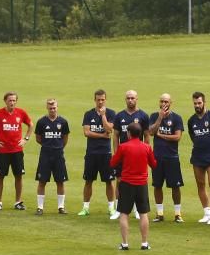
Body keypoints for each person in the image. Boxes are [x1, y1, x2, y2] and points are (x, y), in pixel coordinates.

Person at [110, 123, 157, 250]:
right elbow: (153, 164)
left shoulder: (123, 147)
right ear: (141, 134)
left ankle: (125, 243)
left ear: (129, 133)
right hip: (142, 184)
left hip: (126, 184)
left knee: (124, 213)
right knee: (143, 214)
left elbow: (113, 162)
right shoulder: (146, 147)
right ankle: (144, 243)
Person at [0, 91, 33, 211]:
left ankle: (18, 202)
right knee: (0, 176)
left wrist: (25, 139)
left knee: (18, 176)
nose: (12, 102)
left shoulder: (21, 113)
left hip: (17, 150)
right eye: (10, 100)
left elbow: (31, 125)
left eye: (14, 100)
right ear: (5, 101)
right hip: (3, 151)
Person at [187, 91, 210, 225]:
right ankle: (207, 213)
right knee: (200, 184)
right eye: (195, 103)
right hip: (197, 156)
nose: (197, 105)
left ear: (204, 102)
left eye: (199, 103)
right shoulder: (191, 120)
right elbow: (193, 137)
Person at [79, 89, 117, 218]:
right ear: (94, 100)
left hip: (105, 153)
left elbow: (109, 129)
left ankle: (111, 208)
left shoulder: (111, 113)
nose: (100, 102)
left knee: (109, 181)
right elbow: (87, 132)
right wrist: (102, 135)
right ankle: (85, 207)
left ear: (105, 100)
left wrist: (103, 116)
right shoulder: (88, 114)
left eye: (102, 100)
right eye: (98, 100)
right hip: (91, 153)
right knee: (88, 180)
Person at [112, 90, 149, 220]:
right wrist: (117, 153)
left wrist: (146, 152)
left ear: (137, 99)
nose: (130, 100)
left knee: (138, 183)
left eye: (132, 98)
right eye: (128, 98)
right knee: (120, 181)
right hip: (123, 155)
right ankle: (118, 208)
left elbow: (147, 136)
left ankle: (138, 210)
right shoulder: (119, 116)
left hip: (138, 155)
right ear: (125, 99)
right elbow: (115, 136)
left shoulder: (143, 116)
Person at [149, 93, 185, 223]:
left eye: (166, 102)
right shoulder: (154, 116)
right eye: (162, 101)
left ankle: (177, 214)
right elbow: (151, 132)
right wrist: (159, 118)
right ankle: (159, 214)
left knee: (175, 186)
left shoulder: (176, 118)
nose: (164, 104)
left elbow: (177, 137)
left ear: (171, 103)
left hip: (172, 157)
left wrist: (162, 135)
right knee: (157, 185)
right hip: (157, 157)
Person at [34, 98, 70, 214]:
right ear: (47, 108)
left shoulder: (63, 122)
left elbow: (65, 138)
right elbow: (38, 139)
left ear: (57, 108)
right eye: (50, 108)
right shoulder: (41, 122)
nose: (52, 110)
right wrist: (48, 145)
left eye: (54, 108)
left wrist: (58, 147)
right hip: (45, 154)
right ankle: (40, 207)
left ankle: (61, 207)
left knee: (60, 181)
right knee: (42, 181)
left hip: (58, 155)